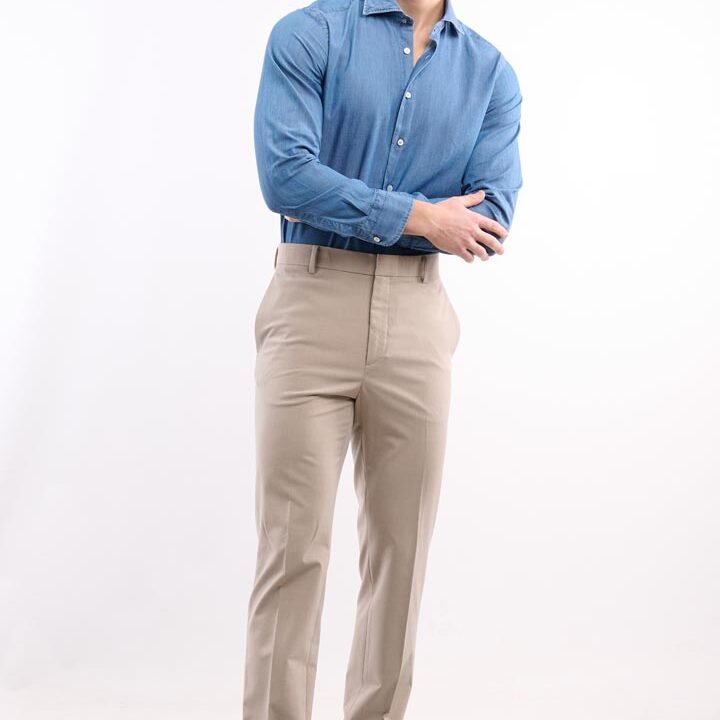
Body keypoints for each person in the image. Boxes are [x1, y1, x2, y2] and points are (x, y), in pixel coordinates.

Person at [243, 1, 522, 718]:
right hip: (311, 299)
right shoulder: (311, 35)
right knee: (292, 549)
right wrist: (423, 215)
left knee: (403, 556)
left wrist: (359, 202)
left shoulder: (489, 72)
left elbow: (490, 220)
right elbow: (286, 177)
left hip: (418, 314)